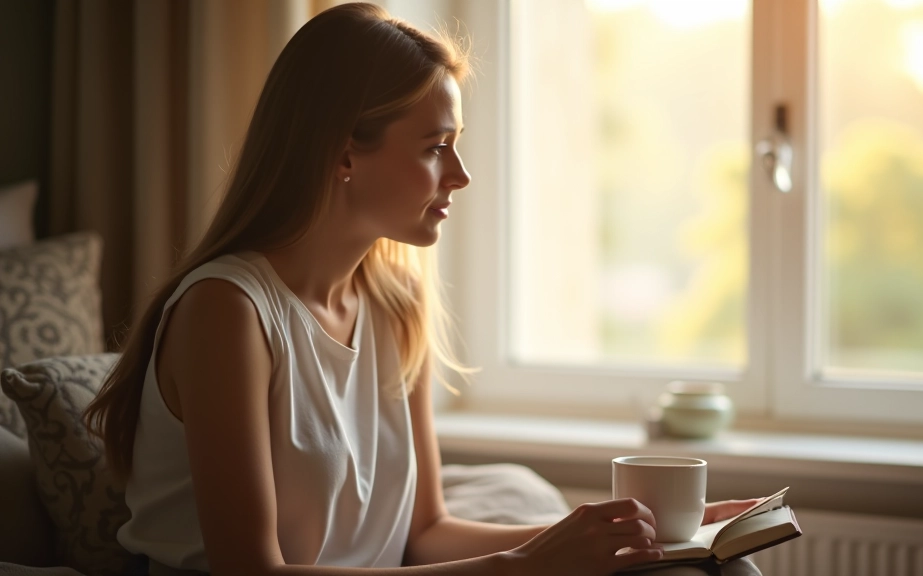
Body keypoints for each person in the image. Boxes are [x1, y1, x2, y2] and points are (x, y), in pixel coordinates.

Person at [83, 4, 761, 576]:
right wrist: (523, 568)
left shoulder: (393, 307)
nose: (460, 175)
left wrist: (636, 534)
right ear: (345, 153)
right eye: (436, 146)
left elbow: (425, 532)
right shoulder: (227, 313)